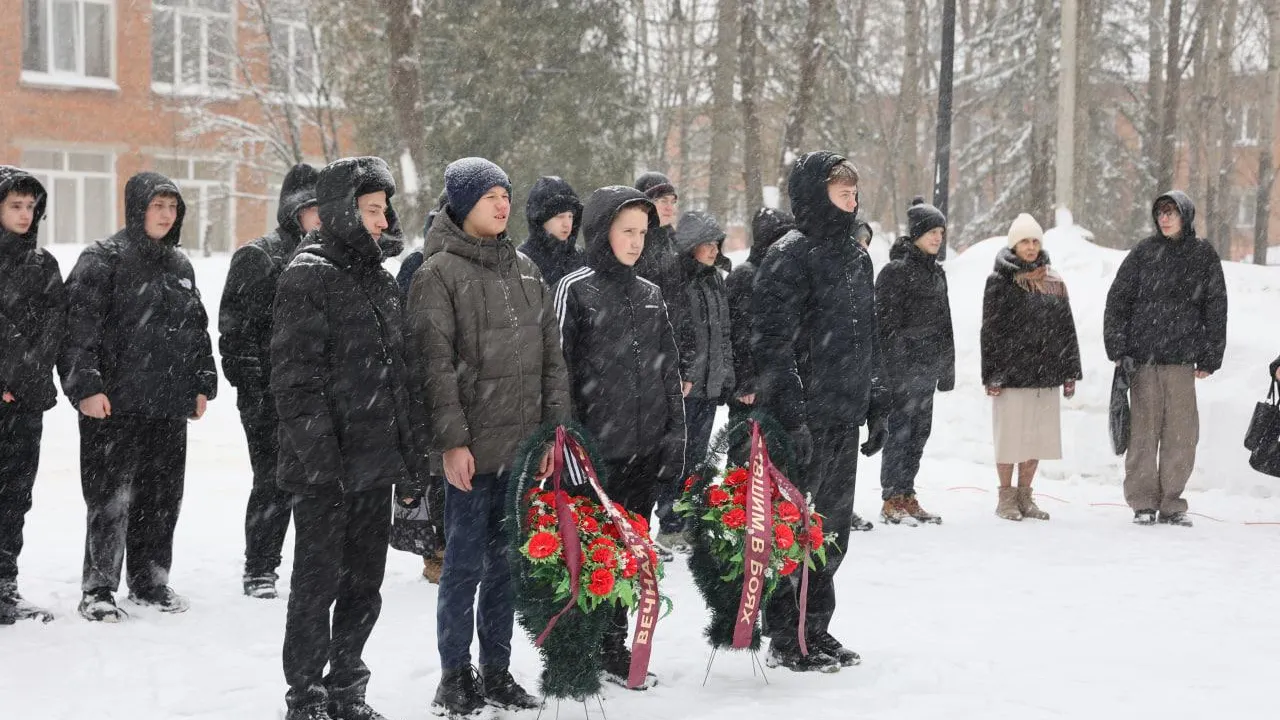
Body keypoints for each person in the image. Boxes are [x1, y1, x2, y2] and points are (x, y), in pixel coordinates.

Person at [408, 157, 568, 716]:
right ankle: (454, 675)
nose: (502, 205)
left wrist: (550, 437)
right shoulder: (437, 274)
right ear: (461, 205)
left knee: (506, 568)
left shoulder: (526, 270)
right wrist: (452, 443)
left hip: (521, 452)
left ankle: (497, 671)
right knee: (463, 567)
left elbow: (552, 361)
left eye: (506, 195)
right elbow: (434, 368)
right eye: (489, 197)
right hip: (470, 455)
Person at [271, 156, 424, 720]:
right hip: (324, 472)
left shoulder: (380, 280)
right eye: (371, 210)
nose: (383, 221)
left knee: (364, 585)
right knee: (316, 587)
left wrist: (409, 460)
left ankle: (347, 689)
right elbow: (295, 381)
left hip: (373, 466)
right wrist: (323, 462)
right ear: (342, 211)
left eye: (385, 210)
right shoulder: (307, 275)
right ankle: (306, 696)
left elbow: (398, 379)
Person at [60, 171, 217, 622]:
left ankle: (150, 581)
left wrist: (201, 382)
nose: (166, 215)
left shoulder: (179, 265)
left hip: (166, 403)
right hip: (113, 405)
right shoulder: (102, 260)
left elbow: (195, 329)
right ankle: (98, 589)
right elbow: (77, 330)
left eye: (172, 207)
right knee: (110, 500)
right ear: (136, 209)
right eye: (157, 206)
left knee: (162, 499)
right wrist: (87, 388)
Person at [752, 151, 886, 672]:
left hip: (843, 414)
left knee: (831, 531)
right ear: (815, 195)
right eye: (840, 192)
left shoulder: (857, 257)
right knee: (793, 530)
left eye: (854, 192)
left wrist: (876, 400)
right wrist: (793, 416)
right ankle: (786, 634)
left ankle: (816, 626)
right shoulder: (790, 256)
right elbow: (772, 345)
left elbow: (867, 337)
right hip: (802, 418)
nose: (851, 201)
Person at [554, 185, 685, 687]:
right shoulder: (575, 288)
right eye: (626, 231)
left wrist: (674, 438)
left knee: (630, 553)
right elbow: (558, 375)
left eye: (642, 233)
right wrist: (568, 448)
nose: (635, 242)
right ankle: (579, 647)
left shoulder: (650, 293)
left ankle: (613, 644)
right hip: (592, 456)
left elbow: (668, 371)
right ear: (600, 232)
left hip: (642, 450)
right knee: (590, 553)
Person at [218, 163, 320, 600]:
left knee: (315, 484)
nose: (322, 217)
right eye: (314, 209)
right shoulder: (259, 256)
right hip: (268, 395)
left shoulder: (330, 257)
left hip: (315, 393)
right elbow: (234, 332)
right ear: (294, 211)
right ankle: (260, 567)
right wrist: (256, 389)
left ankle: (311, 566)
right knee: (272, 482)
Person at [1104, 191, 1227, 526]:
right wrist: (1117, 347)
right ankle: (1143, 502)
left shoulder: (1202, 255)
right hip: (1144, 361)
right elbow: (1117, 300)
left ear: (1185, 215)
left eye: (1171, 212)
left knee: (1181, 436)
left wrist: (1210, 355)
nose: (1165, 218)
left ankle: (1172, 502)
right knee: (1142, 435)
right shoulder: (1143, 253)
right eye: (1160, 212)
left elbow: (1216, 307)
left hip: (1182, 361)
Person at [980, 214, 1081, 521]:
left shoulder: (1053, 281)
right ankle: (1006, 497)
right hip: (1012, 376)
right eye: (1025, 241)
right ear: (1014, 244)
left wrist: (1070, 370)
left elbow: (1066, 329)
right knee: (1010, 440)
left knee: (1036, 439)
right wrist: (992, 373)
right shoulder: (1000, 282)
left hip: (1045, 375)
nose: (1031, 246)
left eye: (1035, 241)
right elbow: (990, 331)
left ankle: (1025, 496)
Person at [0, 166, 65, 625]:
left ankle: (4, 586)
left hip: (27, 400)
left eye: (31, 206)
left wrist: (29, 376)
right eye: (15, 205)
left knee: (15, 496)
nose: (25, 214)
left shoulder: (44, 265)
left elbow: (55, 326)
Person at [653, 210, 733, 552]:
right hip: (684, 387)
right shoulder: (675, 279)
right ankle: (669, 525)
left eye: (717, 243)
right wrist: (682, 372)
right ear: (691, 245)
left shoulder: (715, 280)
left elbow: (723, 334)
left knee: (699, 458)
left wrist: (725, 376)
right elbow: (673, 331)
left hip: (708, 386)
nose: (714, 250)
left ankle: (689, 522)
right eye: (707, 243)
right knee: (676, 457)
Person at [874, 198, 954, 525]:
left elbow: (946, 324)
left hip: (928, 370)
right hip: (902, 371)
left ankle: (907, 493)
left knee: (920, 434)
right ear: (917, 233)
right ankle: (891, 498)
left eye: (941, 232)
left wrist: (946, 369)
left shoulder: (937, 274)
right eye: (932, 232)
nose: (937, 238)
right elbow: (884, 326)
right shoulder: (895, 272)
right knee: (900, 433)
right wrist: (894, 368)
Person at [725, 208, 795, 468]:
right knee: (746, 457)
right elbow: (736, 332)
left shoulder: (785, 275)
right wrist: (745, 380)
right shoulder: (745, 276)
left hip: (779, 382)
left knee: (776, 456)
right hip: (751, 388)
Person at [518, 175, 584, 288]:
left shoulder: (581, 257)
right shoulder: (522, 260)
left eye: (570, 216)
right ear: (541, 220)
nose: (567, 224)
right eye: (560, 216)